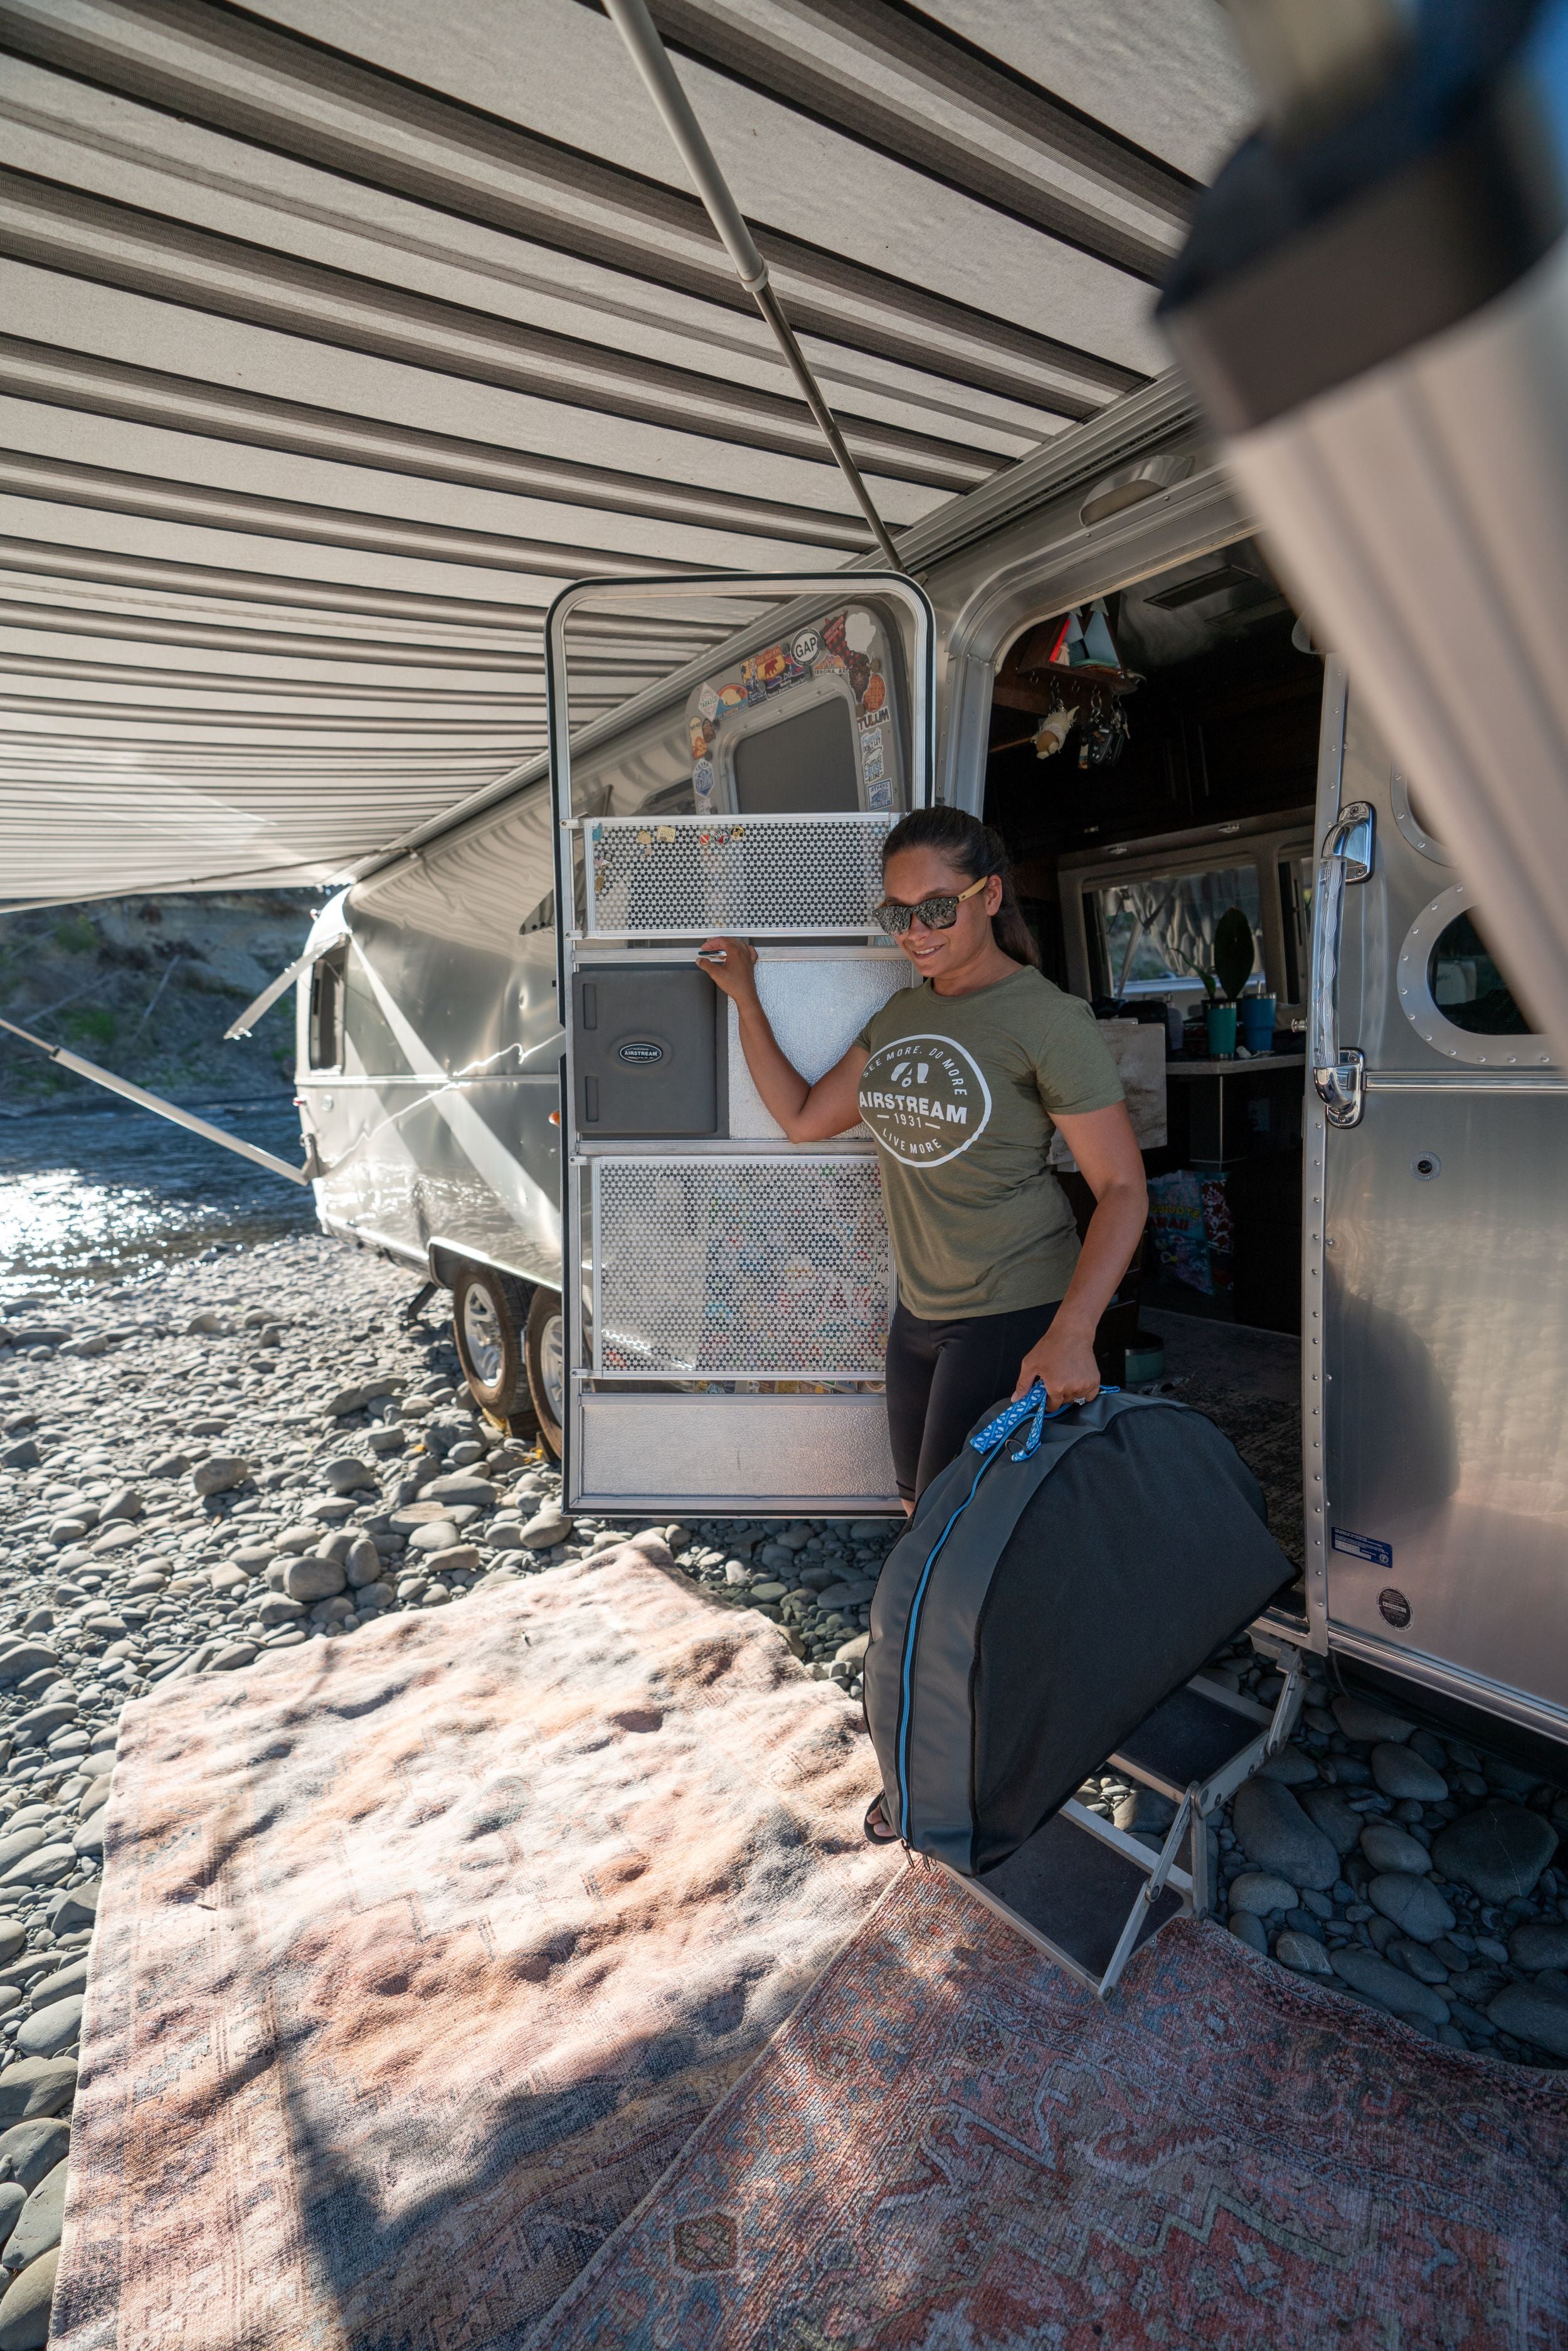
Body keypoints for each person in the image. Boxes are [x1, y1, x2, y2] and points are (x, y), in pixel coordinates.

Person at [699, 805, 1148, 1512]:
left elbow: (1122, 1187)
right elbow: (804, 1119)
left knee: (963, 1524)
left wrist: (1073, 1331)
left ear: (990, 895)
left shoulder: (1048, 1019)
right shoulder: (902, 1016)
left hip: (1015, 1304)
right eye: (897, 914)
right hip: (919, 1310)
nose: (915, 932)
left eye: (937, 908)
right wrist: (746, 1001)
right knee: (920, 1511)